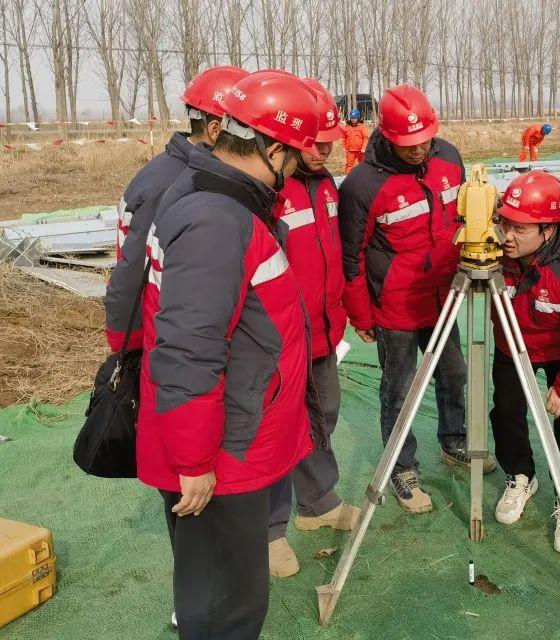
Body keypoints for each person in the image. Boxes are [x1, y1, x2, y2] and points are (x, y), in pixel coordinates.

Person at [136, 71, 322, 639]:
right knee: (227, 602)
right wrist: (194, 461)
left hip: (232, 432)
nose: (295, 173)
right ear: (268, 147)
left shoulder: (209, 195)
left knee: (217, 588)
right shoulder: (218, 219)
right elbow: (190, 347)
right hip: (221, 452)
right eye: (292, 159)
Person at [339, 83, 494, 515]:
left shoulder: (448, 158)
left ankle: (454, 440)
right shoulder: (362, 185)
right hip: (397, 307)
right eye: (409, 145)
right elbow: (350, 258)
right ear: (387, 135)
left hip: (444, 297)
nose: (420, 150)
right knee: (400, 391)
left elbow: (462, 214)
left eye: (425, 140)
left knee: (455, 373)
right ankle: (402, 467)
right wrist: (361, 315)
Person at [265, 76, 360, 578]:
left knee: (323, 418)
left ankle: (318, 504)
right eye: (315, 142)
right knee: (276, 431)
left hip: (323, 333)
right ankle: (267, 531)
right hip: (279, 340)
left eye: (331, 141)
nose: (326, 151)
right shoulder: (270, 192)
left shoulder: (326, 186)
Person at [490, 170, 560, 554]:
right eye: (504, 222)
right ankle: (520, 475)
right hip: (512, 345)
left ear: (548, 230)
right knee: (506, 412)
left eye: (519, 228)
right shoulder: (496, 256)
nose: (508, 235)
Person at [104, 65, 248, 352]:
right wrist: (129, 344)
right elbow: (133, 270)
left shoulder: (188, 172)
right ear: (216, 129)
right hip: (161, 339)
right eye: (245, 131)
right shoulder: (171, 184)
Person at [341, 108, 370, 174]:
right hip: (350, 150)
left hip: (360, 151)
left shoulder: (362, 127)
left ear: (358, 118)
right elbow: (344, 137)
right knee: (349, 165)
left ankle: (364, 178)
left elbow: (366, 138)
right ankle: (347, 178)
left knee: (363, 165)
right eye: (352, 118)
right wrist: (344, 147)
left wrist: (363, 148)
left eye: (354, 118)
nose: (353, 120)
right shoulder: (347, 127)